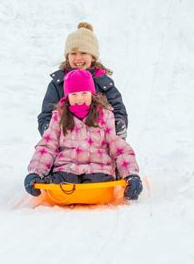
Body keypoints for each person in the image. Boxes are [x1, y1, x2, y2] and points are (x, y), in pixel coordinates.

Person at [26, 69, 143, 200]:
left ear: (92, 94)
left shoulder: (105, 116)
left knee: (98, 183)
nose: (79, 98)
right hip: (66, 168)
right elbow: (47, 147)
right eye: (74, 94)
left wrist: (130, 175)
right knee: (62, 183)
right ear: (67, 96)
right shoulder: (59, 117)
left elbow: (118, 148)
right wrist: (35, 173)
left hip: (99, 169)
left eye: (84, 93)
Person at [38, 21, 128, 139]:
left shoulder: (102, 81)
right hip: (67, 143)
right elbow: (46, 112)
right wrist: (47, 129)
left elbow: (118, 107)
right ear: (67, 56)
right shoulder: (58, 83)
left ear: (93, 56)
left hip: (98, 144)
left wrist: (119, 124)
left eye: (84, 53)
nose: (78, 58)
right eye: (73, 53)